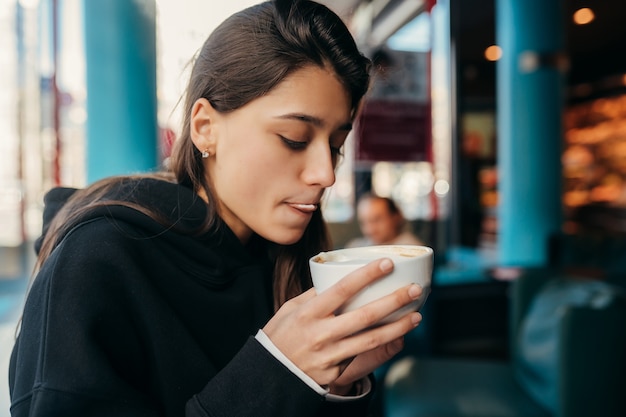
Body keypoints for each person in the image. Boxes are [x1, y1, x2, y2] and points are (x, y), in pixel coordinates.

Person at [8, 1, 424, 416]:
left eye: (335, 146)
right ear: (205, 128)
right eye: (295, 138)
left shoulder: (286, 261)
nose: (325, 174)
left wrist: (338, 386)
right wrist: (277, 371)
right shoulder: (99, 260)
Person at [346, 193, 424, 248]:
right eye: (363, 222)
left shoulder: (412, 249)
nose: (369, 230)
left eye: (376, 220)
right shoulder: (355, 247)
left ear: (396, 217)